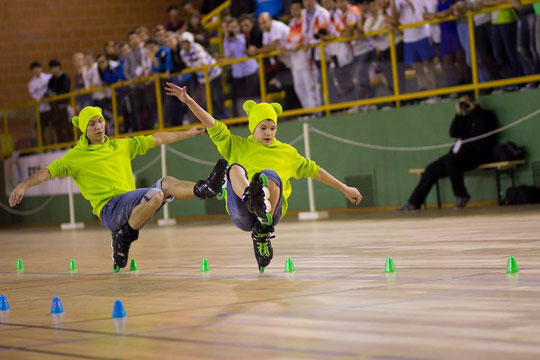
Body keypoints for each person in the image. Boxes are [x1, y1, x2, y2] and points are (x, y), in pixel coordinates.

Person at [164, 82, 363, 272]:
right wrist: (188, 100)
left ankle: (262, 226)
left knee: (269, 175)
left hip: (271, 211)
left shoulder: (287, 152)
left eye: (273, 128)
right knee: (233, 168)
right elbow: (213, 125)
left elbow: (316, 171)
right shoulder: (237, 146)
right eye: (263, 128)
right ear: (253, 127)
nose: (269, 133)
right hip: (241, 211)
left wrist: (344, 188)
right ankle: (251, 199)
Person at [8, 106, 229, 271]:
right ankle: (124, 236)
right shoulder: (76, 156)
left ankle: (205, 189)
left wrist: (188, 133)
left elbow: (156, 138)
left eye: (100, 121)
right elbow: (47, 171)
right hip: (110, 210)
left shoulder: (120, 146)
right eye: (92, 123)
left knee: (167, 183)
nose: (98, 126)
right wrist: (23, 185)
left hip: (134, 206)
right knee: (157, 194)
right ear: (85, 129)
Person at [401, 94, 498, 211]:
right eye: (461, 103)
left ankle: (461, 195)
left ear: (473, 102)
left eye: (466, 102)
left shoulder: (485, 115)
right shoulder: (464, 118)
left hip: (476, 155)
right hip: (457, 156)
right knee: (431, 169)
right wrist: (458, 115)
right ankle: (413, 203)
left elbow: (483, 128)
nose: (464, 105)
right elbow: (453, 132)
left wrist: (474, 109)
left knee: (451, 161)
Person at [180, 31, 229, 119]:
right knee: (208, 100)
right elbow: (190, 66)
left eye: (186, 43)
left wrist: (196, 66)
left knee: (217, 97)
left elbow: (204, 63)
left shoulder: (197, 47)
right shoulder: (182, 53)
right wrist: (196, 66)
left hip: (214, 74)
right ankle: (214, 120)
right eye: (183, 43)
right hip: (203, 78)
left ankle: (224, 118)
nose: (184, 45)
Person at [223, 18, 261, 117]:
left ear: (239, 28)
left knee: (253, 95)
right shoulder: (227, 41)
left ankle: (257, 116)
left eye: (235, 27)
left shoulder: (244, 37)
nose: (233, 30)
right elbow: (227, 55)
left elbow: (244, 49)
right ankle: (243, 119)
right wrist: (227, 39)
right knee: (240, 98)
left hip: (250, 70)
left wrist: (236, 37)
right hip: (238, 73)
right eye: (231, 28)